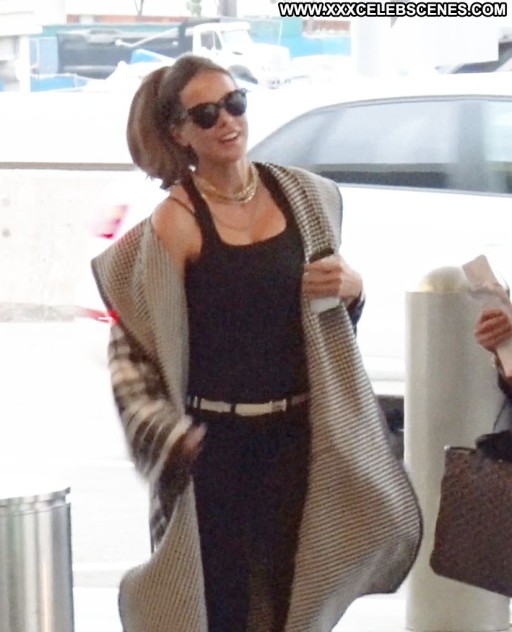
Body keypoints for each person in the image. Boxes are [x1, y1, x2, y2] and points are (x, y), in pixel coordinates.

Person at [91, 54, 422, 632]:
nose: (227, 121)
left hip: (298, 436)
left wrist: (353, 289)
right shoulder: (177, 222)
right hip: (216, 447)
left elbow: (326, 327)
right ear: (180, 133)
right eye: (206, 114)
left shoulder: (303, 196)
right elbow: (137, 344)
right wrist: (168, 433)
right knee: (224, 607)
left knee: (296, 600)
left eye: (235, 103)